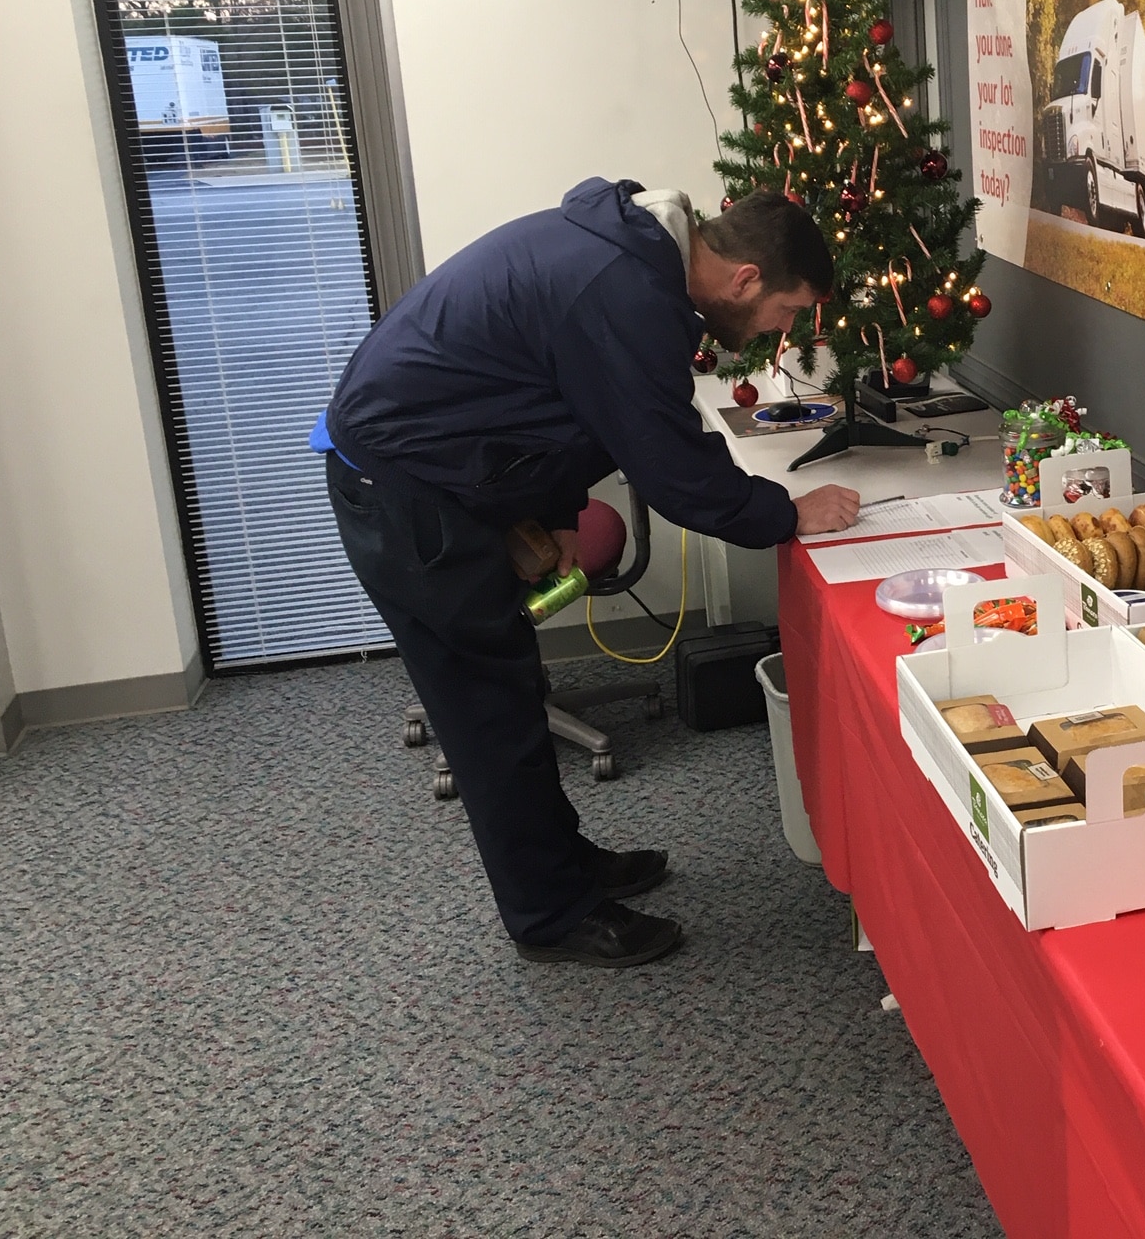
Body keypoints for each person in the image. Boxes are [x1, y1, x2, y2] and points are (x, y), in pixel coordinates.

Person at [317, 181, 860, 967]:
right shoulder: (627, 289)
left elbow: (553, 392)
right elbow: (671, 467)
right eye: (785, 312)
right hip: (407, 491)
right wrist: (787, 513)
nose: (781, 332)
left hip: (437, 465)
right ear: (745, 279)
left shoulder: (630, 248)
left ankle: (563, 865)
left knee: (510, 691)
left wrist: (561, 512)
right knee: (490, 713)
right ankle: (550, 914)